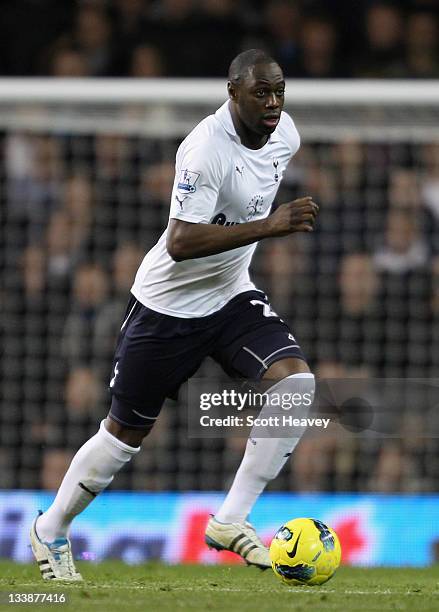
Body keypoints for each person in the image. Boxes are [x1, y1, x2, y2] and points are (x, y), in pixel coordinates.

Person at [30, 49, 318, 581]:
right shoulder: (203, 148)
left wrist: (262, 232)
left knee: (296, 384)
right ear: (233, 92)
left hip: (231, 296)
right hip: (166, 308)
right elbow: (182, 242)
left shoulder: (287, 136)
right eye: (261, 92)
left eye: (279, 91)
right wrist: (268, 227)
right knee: (123, 437)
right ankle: (51, 528)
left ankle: (231, 520)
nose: (274, 103)